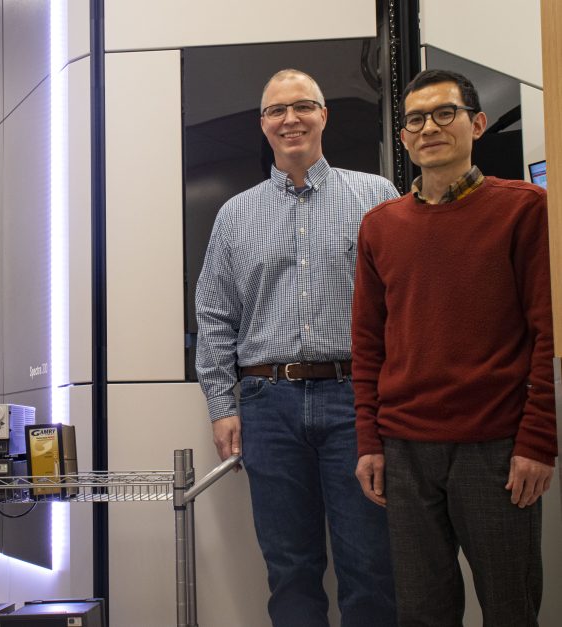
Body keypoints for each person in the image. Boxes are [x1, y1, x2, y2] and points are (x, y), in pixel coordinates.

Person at [196, 68, 399, 626]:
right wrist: (223, 405)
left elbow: (402, 305)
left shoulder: (377, 198)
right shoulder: (236, 214)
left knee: (370, 565)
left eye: (302, 106)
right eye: (276, 111)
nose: (290, 119)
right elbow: (214, 315)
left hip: (355, 402)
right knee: (289, 567)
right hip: (268, 405)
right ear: (263, 125)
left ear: (323, 115)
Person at [353, 68, 555, 627]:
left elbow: (547, 334)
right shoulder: (380, 226)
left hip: (494, 447)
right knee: (421, 611)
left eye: (446, 113)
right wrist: (370, 441)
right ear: (404, 137)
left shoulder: (524, 210)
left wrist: (538, 439)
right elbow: (368, 345)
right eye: (416, 119)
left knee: (510, 606)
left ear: (478, 124)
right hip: (405, 447)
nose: (429, 127)